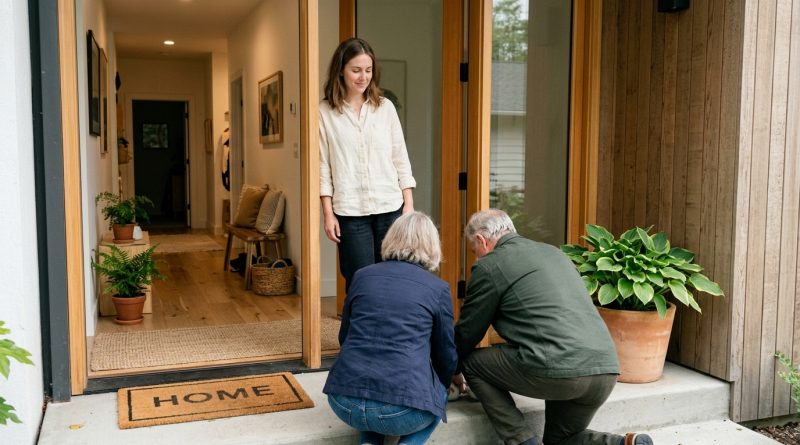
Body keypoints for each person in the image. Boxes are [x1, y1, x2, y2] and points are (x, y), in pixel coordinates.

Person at [452, 209, 654, 445]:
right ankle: (625, 443)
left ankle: (522, 440)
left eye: (474, 250)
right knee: (561, 439)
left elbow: (468, 332)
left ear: (481, 240)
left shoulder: (490, 265)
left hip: (559, 369)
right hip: (605, 369)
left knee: (471, 363)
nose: (476, 256)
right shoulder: (554, 253)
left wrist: (450, 368)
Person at [323, 212, 457, 445]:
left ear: (390, 238)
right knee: (438, 397)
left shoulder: (362, 276)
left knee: (375, 401)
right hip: (400, 413)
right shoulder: (437, 289)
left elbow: (344, 337)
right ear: (432, 245)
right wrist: (443, 385)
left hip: (343, 402)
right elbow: (445, 354)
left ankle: (369, 442)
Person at [319, 37, 416, 292]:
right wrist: (328, 214)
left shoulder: (385, 108)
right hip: (350, 212)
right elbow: (322, 166)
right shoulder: (324, 112)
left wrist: (409, 204)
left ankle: (388, 332)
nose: (363, 77)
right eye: (356, 70)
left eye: (368, 70)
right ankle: (355, 333)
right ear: (341, 69)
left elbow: (400, 156)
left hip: (390, 206)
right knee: (360, 282)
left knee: (391, 279)